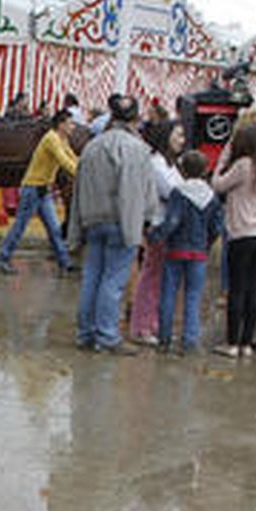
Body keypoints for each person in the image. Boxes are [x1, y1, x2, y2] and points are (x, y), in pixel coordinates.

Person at [67, 94, 159, 354]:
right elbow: (144, 190)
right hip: (123, 220)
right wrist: (147, 220)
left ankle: (86, 333)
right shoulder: (137, 149)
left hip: (93, 219)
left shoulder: (92, 147)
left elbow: (78, 187)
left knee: (92, 277)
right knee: (113, 280)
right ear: (135, 119)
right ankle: (107, 336)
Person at [210, 120, 256, 357]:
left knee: (237, 288)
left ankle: (232, 342)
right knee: (253, 288)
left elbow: (218, 185)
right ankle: (247, 342)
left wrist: (222, 158)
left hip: (242, 234)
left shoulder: (242, 166)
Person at [151, 150, 224, 354]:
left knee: (169, 293)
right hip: (199, 253)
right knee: (193, 296)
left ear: (182, 170)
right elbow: (217, 227)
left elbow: (172, 221)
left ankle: (164, 337)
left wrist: (156, 236)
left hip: (175, 250)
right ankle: (189, 339)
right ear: (205, 170)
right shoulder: (211, 197)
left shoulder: (178, 193)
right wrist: (207, 244)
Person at [0, 110, 77, 275]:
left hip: (42, 190)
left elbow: (72, 158)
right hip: (33, 189)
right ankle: (3, 259)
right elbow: (64, 161)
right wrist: (82, 174)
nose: (73, 127)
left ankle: (65, 262)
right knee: (20, 227)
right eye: (70, 123)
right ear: (61, 125)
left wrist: (84, 167)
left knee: (54, 228)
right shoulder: (51, 138)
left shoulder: (61, 139)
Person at [125, 120, 184, 342]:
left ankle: (152, 322)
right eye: (178, 135)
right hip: (158, 225)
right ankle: (142, 326)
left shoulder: (171, 164)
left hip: (167, 226)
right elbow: (172, 191)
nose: (182, 140)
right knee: (151, 276)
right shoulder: (157, 164)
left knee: (158, 277)